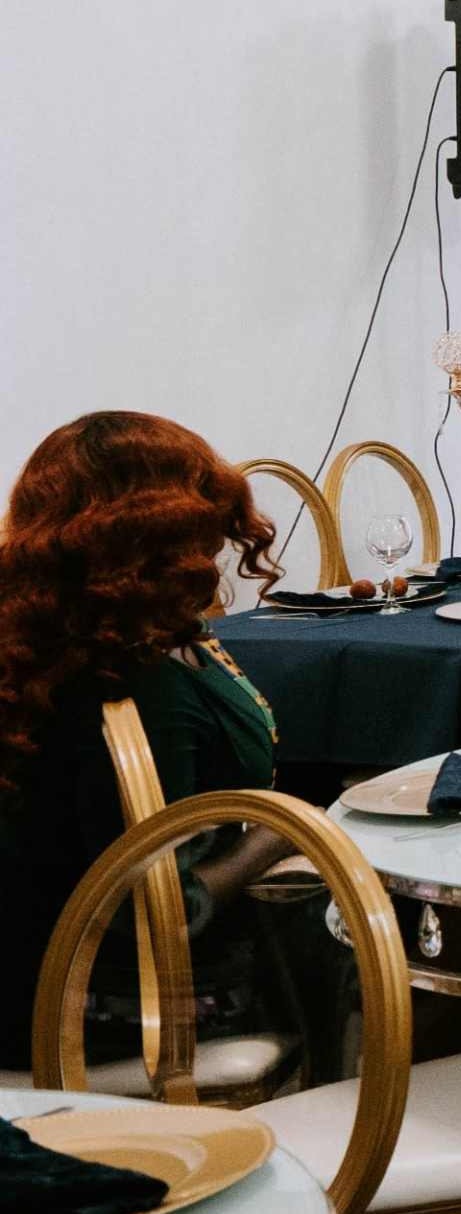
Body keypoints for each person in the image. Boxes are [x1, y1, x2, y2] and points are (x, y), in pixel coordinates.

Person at [0, 413, 288, 1057]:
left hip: (33, 969)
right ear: (167, 529)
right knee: (383, 931)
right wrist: (276, 831)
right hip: (112, 1014)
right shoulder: (135, 683)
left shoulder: (41, 645)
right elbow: (162, 916)